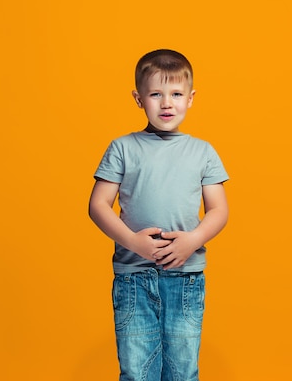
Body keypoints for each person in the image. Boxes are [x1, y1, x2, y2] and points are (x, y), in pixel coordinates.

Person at [88, 49, 229, 381]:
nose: (167, 103)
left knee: (182, 370)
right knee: (138, 370)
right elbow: (98, 205)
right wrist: (134, 243)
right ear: (139, 99)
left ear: (191, 98)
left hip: (185, 277)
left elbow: (219, 210)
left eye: (176, 94)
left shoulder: (202, 151)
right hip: (134, 279)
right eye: (156, 94)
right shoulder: (123, 147)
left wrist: (192, 240)